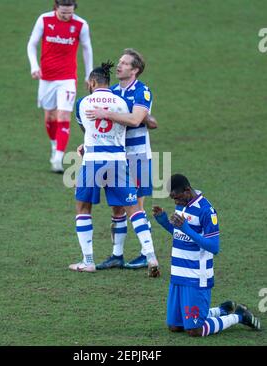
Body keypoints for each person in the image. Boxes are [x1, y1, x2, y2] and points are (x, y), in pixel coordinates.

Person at [69, 61, 160, 277]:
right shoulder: (122, 103)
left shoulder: (83, 102)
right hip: (119, 161)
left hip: (93, 161)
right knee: (134, 209)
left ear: (92, 82)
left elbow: (85, 128)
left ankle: (88, 261)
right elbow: (133, 122)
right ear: (108, 83)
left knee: (83, 209)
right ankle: (151, 256)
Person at [152, 173, 261, 336]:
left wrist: (186, 228)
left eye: (177, 197)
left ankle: (238, 315)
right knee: (175, 326)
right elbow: (180, 234)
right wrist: (163, 221)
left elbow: (214, 247)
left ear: (187, 190)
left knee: (195, 330)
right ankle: (221, 310)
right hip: (178, 274)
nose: (175, 202)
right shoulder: (182, 205)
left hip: (196, 276)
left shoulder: (206, 211)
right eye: (172, 199)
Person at [27, 0, 93, 173]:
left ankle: (58, 157)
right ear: (56, 8)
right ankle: (54, 144)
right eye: (63, 13)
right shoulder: (44, 20)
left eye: (69, 13)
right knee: (50, 116)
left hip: (67, 78)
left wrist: (89, 74)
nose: (66, 16)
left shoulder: (81, 25)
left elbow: (87, 49)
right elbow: (31, 44)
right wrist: (34, 66)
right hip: (46, 78)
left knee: (63, 114)